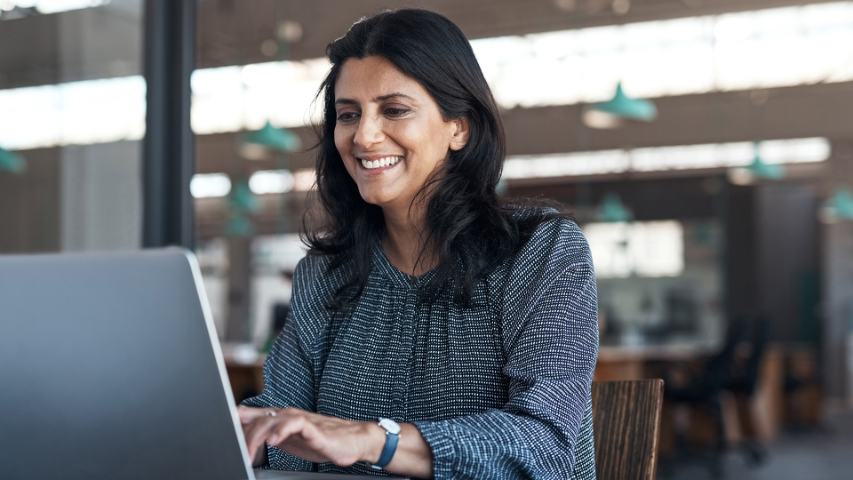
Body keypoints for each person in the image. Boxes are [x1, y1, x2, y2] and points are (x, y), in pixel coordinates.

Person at [238, 8, 599, 479]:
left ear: (459, 127)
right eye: (349, 115)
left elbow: (545, 445)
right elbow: (289, 432)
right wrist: (240, 432)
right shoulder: (325, 275)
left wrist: (375, 439)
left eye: (394, 110)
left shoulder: (541, 252)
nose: (364, 136)